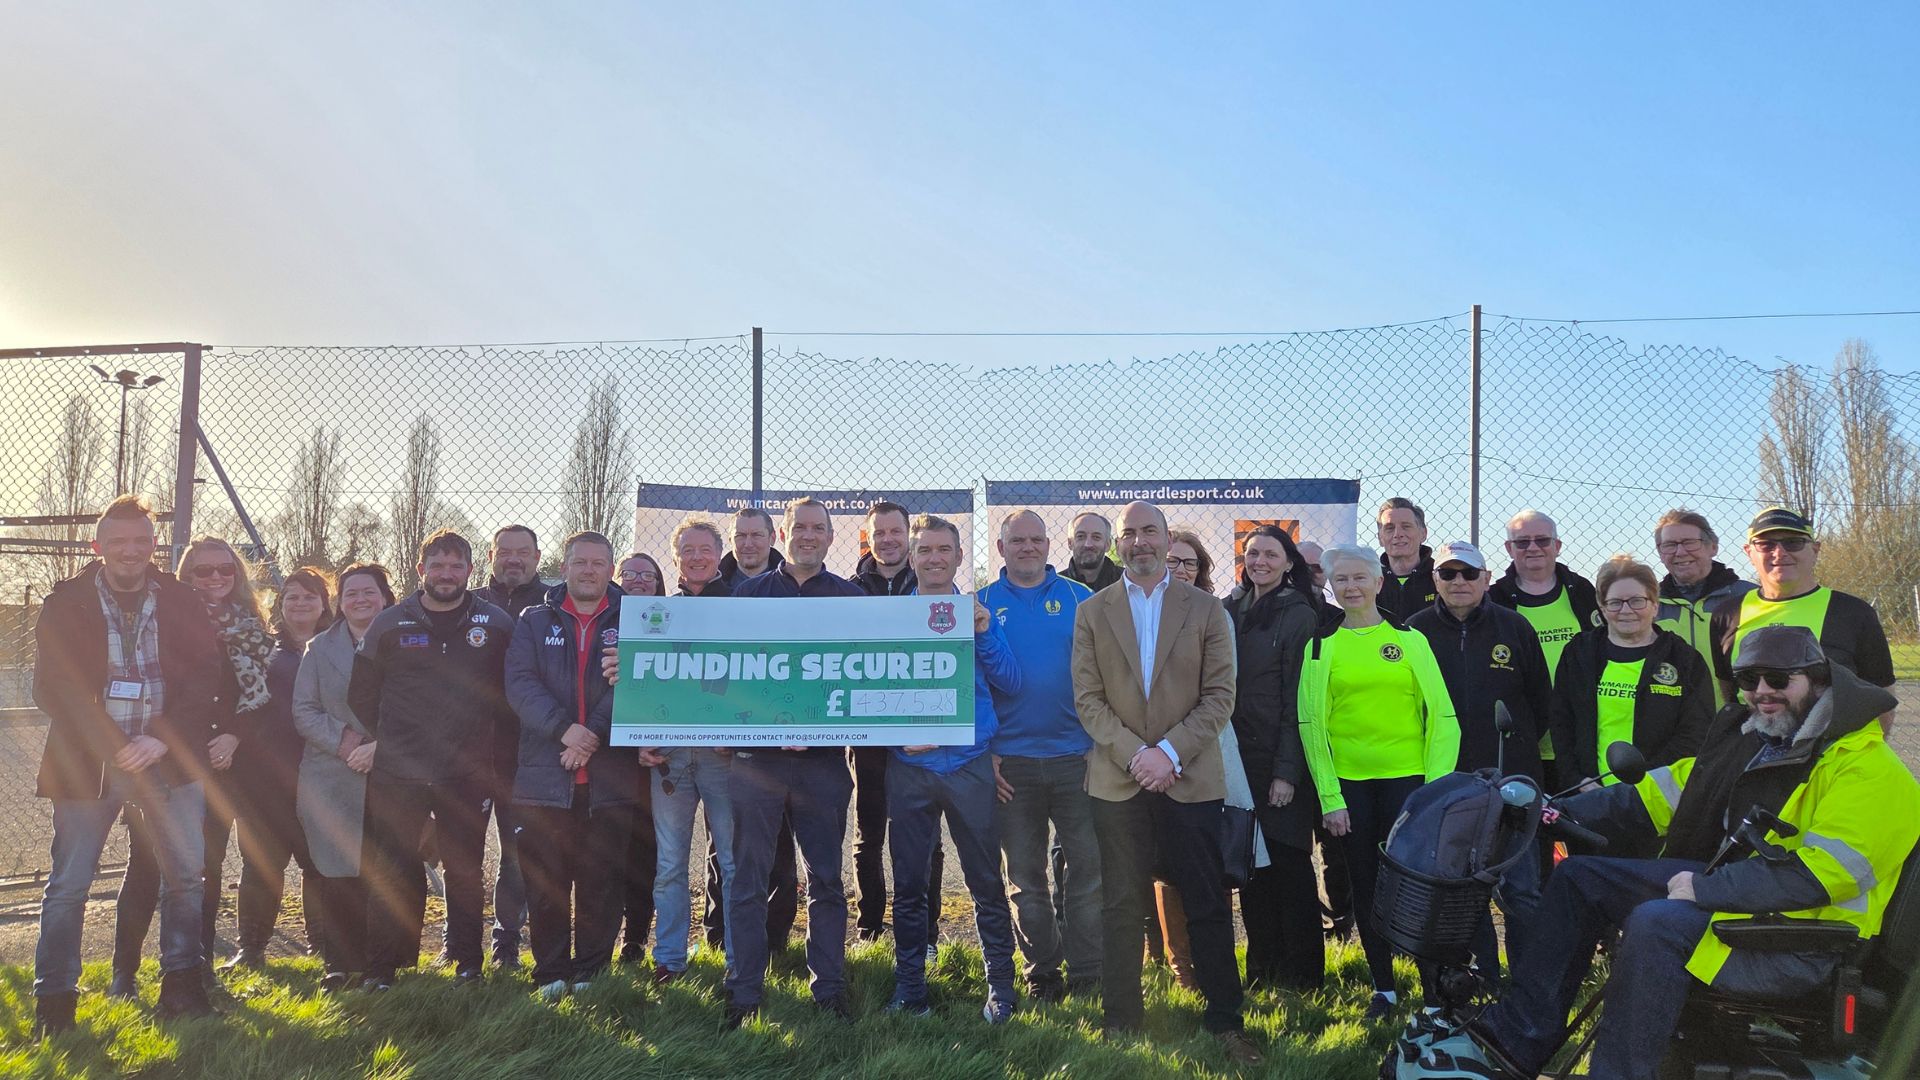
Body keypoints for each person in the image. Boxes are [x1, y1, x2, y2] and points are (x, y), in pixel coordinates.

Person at [1467, 627, 1920, 1080]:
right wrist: (1550, 810)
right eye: (1749, 679)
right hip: (1745, 904)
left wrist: (1704, 888)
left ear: (1819, 680)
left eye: (1779, 680)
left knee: (1657, 923)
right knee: (1578, 877)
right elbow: (1660, 795)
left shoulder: (1867, 769)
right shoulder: (1758, 741)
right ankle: (1514, 1043)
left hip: (1801, 940)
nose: (1762, 692)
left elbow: (1817, 877)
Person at [1070, 501, 1261, 1065]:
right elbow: (1088, 699)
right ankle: (1121, 1022)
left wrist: (1169, 753)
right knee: (1121, 904)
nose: (1138, 542)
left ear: (1164, 538)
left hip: (1190, 778)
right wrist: (1138, 756)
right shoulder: (1092, 611)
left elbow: (1220, 696)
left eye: (1148, 531)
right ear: (1118, 545)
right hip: (1119, 780)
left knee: (1205, 902)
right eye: (1128, 534)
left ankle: (1225, 1022)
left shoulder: (1205, 611)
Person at [32, 497, 230, 1032]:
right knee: (69, 884)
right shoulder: (66, 602)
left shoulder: (183, 601)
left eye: (141, 541)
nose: (130, 551)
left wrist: (161, 741)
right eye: (118, 541)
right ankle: (55, 1004)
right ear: (98, 546)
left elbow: (204, 677)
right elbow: (53, 686)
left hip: (167, 759)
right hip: (88, 763)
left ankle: (182, 988)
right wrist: (113, 742)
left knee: (187, 876)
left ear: (153, 545)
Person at [1299, 544, 1460, 1021]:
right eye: (1341, 580)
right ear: (1332, 585)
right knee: (1366, 884)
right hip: (1351, 788)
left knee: (1418, 887)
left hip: (1410, 785)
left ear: (1378, 581)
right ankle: (1384, 989)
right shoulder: (1321, 645)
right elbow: (1312, 726)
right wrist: (1331, 797)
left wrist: (1434, 793)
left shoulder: (1410, 639)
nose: (1351, 587)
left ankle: (1433, 996)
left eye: (1359, 578)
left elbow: (1444, 718)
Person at [350, 529, 514, 989]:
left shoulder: (496, 623)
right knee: (393, 866)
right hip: (399, 771)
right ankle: (385, 967)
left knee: (463, 869)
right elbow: (361, 694)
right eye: (437, 566)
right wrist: (393, 739)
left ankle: (467, 963)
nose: (446, 574)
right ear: (421, 571)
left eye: (455, 566)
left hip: (467, 773)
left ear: (469, 571)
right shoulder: (390, 622)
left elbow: (511, 693)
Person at [724, 497, 865, 1029]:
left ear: (832, 538)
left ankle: (829, 989)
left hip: (823, 766)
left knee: (826, 880)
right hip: (757, 763)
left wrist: (823, 729)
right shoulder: (747, 596)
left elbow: (864, 681)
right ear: (784, 533)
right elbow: (728, 678)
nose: (808, 536)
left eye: (818, 529)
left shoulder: (852, 600)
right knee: (749, 879)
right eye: (799, 527)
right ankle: (743, 992)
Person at [115, 536, 272, 983]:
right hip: (164, 756)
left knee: (207, 864)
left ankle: (195, 969)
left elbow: (259, 698)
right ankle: (122, 974)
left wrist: (233, 737)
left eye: (225, 569)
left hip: (222, 763)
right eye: (204, 571)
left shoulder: (251, 624)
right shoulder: (161, 619)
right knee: (146, 865)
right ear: (187, 576)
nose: (216, 578)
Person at [884, 514, 1022, 1022]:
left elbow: (1011, 681)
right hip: (910, 770)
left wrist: (984, 632)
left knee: (986, 882)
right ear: (911, 557)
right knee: (910, 884)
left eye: (945, 550)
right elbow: (870, 690)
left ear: (960, 557)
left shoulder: (976, 612)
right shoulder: (892, 618)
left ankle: (1001, 991)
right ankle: (909, 989)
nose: (935, 558)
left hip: (968, 766)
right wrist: (900, 734)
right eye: (925, 551)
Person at [1408, 540, 1551, 978]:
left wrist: (1516, 752)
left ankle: (1527, 981)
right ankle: (1480, 979)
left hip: (1512, 778)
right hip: (1448, 783)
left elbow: (1541, 703)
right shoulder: (1415, 632)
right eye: (1448, 574)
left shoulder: (1515, 628)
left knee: (1522, 887)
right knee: (1460, 889)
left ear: (1487, 579)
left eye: (1469, 573)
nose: (1459, 582)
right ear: (1435, 581)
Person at [505, 530, 637, 1001]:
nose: (588, 570)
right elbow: (519, 684)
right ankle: (550, 973)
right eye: (580, 562)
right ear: (563, 567)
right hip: (546, 773)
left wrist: (591, 735)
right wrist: (565, 730)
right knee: (547, 882)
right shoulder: (534, 620)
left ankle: (591, 974)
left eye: (598, 563)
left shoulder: (634, 620)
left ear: (610, 569)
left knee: (601, 882)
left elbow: (634, 684)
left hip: (608, 778)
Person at [977, 510, 1101, 1002]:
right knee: (1025, 878)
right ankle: (1042, 972)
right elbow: (969, 688)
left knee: (1087, 874)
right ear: (1001, 548)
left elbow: (1105, 679)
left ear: (1050, 546)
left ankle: (1090, 972)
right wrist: (985, 753)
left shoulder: (1082, 600)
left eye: (1035, 540)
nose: (1027, 547)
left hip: (1078, 760)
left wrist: (1098, 746)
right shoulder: (979, 605)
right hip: (1010, 766)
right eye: (1016, 540)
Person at [1223, 525, 1326, 992]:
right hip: (1236, 762)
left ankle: (1303, 976)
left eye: (1270, 554)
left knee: (1290, 867)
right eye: (1252, 553)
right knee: (1252, 869)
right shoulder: (1231, 611)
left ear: (1288, 563)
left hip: (1280, 763)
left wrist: (1287, 772)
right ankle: (1262, 971)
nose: (1260, 561)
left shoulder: (1299, 615)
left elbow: (1297, 701)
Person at [293, 562, 397, 992]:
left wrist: (381, 748)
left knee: (384, 872)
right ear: (339, 601)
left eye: (369, 592)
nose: (361, 600)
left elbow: (422, 708)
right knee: (336, 872)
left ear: (385, 597)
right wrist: (350, 744)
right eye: (351, 593)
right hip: (332, 775)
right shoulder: (318, 649)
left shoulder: (406, 641)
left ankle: (380, 967)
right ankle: (338, 964)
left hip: (391, 772)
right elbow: (303, 711)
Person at [224, 566, 332, 970]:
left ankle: (322, 948)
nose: (300, 603)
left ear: (324, 604)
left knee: (318, 866)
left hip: (320, 776)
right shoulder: (263, 651)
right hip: (264, 778)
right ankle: (250, 948)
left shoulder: (338, 649)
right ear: (279, 606)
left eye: (310, 596)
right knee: (261, 866)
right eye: (292, 597)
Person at [645, 518, 738, 986]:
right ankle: (669, 959)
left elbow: (758, 679)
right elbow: (643, 682)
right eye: (688, 549)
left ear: (719, 554)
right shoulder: (658, 614)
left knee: (734, 863)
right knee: (669, 863)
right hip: (670, 760)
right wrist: (641, 736)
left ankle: (740, 962)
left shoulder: (742, 609)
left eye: (706, 549)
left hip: (725, 759)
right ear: (676, 555)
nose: (698, 557)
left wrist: (740, 737)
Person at [849, 501, 938, 944]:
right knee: (869, 833)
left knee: (926, 837)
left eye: (895, 532)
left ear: (908, 535)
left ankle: (927, 933)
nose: (887, 540)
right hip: (866, 734)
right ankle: (869, 928)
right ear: (869, 538)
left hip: (919, 732)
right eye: (879, 533)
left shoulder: (931, 587)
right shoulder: (848, 590)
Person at [1549, 556, 1713, 790]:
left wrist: (1647, 784)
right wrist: (1578, 780)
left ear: (1655, 605)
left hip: (1657, 793)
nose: (1626, 610)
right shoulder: (1579, 653)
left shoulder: (1684, 659)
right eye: (1615, 602)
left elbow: (1695, 733)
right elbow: (1561, 720)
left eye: (1637, 601)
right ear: (1603, 608)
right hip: (1589, 791)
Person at [1710, 506, 1894, 698]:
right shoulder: (1726, 615)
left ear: (1815, 550)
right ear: (1749, 552)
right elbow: (1729, 691)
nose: (1779, 553)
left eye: (1793, 543)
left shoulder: (1854, 613)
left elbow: (1882, 696)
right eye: (1766, 544)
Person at [472, 525, 546, 970]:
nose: (513, 559)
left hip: (528, 752)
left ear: (538, 557)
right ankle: (459, 944)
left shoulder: (551, 605)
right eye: (505, 552)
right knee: (463, 851)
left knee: (519, 854)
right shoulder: (471, 603)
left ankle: (508, 941)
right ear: (491, 555)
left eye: (523, 552)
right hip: (471, 751)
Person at [1488, 509, 1601, 793]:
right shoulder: (1494, 599)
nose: (1533, 548)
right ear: (1508, 548)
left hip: (1579, 743)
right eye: (1522, 542)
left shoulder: (1583, 592)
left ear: (1557, 546)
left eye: (1542, 540)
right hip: (1521, 743)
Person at [612, 549, 666, 965]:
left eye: (646, 575)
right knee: (610, 852)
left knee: (645, 853)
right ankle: (602, 937)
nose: (637, 580)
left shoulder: (670, 619)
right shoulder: (603, 620)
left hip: (653, 758)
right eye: (629, 573)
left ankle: (635, 939)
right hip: (607, 758)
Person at [1652, 508, 1754, 710]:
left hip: (1737, 723)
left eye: (1689, 542)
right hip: (1674, 729)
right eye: (1670, 545)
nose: (1680, 552)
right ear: (1660, 553)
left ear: (1713, 547)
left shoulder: (1750, 598)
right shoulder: (1647, 605)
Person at [1375, 498, 1436, 622]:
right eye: (1389, 528)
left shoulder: (1443, 577)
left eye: (1406, 526)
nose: (1398, 534)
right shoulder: (1369, 581)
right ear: (1380, 538)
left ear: (1423, 533)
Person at [717, 507, 783, 589]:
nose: (748, 544)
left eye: (757, 535)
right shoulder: (712, 584)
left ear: (772, 538)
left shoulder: (790, 585)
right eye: (740, 535)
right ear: (730, 540)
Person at [1061, 511, 1123, 592]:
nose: (1088, 544)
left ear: (1108, 544)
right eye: (1080, 536)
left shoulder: (1127, 583)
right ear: (1070, 543)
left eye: (1096, 537)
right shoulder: (1055, 586)